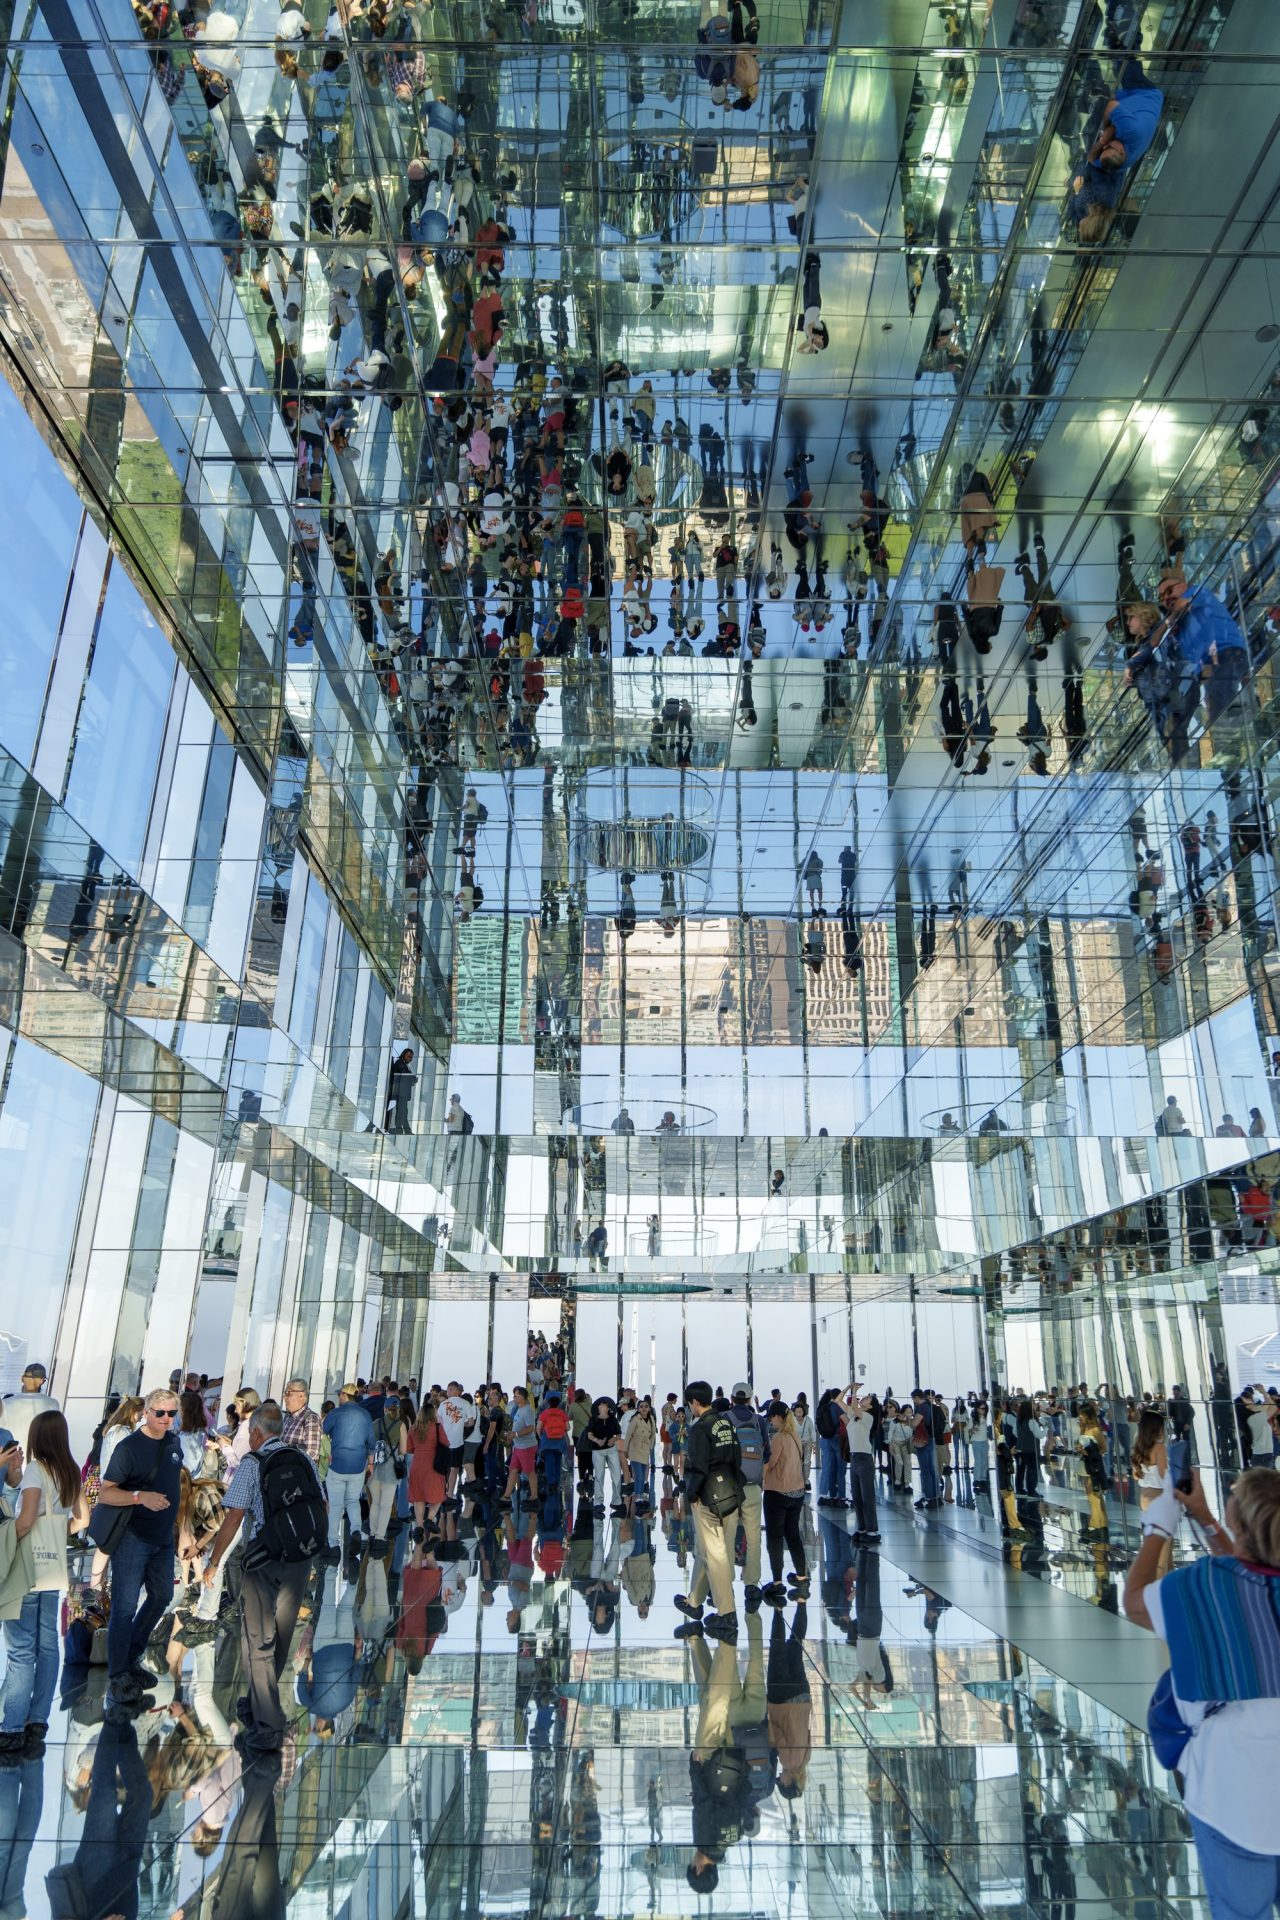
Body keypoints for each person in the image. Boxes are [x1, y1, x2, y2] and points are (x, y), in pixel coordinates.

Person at [1124, 1467, 1280, 1918]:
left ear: (1238, 1517)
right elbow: (1259, 1577)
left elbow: (1135, 1600)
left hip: (1233, 1795)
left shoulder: (1200, 1586)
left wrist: (1159, 1528)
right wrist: (1207, 1520)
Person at [203, 1400, 322, 1756]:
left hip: (263, 1560)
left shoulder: (253, 1464)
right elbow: (322, 1505)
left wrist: (214, 1560)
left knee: (257, 1639)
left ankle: (268, 1725)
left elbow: (235, 1516)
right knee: (282, 1634)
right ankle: (259, 1705)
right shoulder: (301, 1460)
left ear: (255, 1432)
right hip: (299, 1558)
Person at [0, 1411, 87, 1756]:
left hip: (27, 1568)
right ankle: (38, 1721)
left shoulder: (38, 1470)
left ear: (37, 1437)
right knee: (48, 1645)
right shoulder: (69, 1471)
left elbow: (24, 1521)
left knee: (21, 1649)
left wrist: (8, 1539)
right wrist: (55, 1533)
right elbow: (82, 1520)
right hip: (53, 1570)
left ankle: (11, 1726)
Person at [97, 1386, 184, 1708]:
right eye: (159, 1412)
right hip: (133, 1536)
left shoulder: (174, 1444)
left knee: (162, 1596)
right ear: (146, 1412)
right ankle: (119, 1673)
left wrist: (181, 1530)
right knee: (124, 1606)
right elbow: (106, 1493)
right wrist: (139, 1497)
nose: (165, 1419)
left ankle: (130, 1658)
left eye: (171, 1414)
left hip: (162, 1538)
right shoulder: (129, 1447)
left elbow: (176, 1487)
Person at [674, 1381, 744, 1643]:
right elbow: (736, 1457)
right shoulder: (725, 1423)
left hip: (708, 1498)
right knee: (708, 1551)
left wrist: (691, 1495)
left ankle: (727, 1613)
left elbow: (698, 1467)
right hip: (729, 1493)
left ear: (693, 1403)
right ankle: (694, 1601)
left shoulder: (699, 1428)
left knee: (715, 1556)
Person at [322, 1384, 375, 1558]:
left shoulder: (336, 1413)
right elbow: (371, 1443)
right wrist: (370, 1465)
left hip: (337, 1465)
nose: (339, 1397)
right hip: (358, 1466)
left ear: (345, 1396)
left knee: (336, 1505)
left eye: (340, 1394)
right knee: (352, 1501)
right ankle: (356, 1531)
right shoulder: (365, 1415)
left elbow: (324, 1429)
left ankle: (333, 1544)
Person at [760, 1403, 806, 1602]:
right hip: (797, 1493)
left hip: (777, 1493)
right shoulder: (795, 1435)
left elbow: (770, 1464)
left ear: (778, 1417)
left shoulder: (778, 1439)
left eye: (771, 1417)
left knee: (775, 1538)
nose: (770, 1421)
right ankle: (802, 1576)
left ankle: (777, 1582)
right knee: (793, 1535)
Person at [405, 1398, 446, 1538]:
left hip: (416, 1466)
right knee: (439, 1496)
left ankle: (419, 1527)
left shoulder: (414, 1428)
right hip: (433, 1465)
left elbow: (408, 1448)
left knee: (419, 1498)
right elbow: (446, 1443)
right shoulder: (437, 1427)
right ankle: (430, 1518)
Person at [846, 1391, 880, 1544]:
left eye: (868, 1399)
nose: (864, 1399)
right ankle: (862, 1528)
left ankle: (872, 1530)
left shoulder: (868, 1417)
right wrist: (849, 1387)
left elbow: (854, 1405)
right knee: (857, 1497)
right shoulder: (854, 1417)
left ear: (870, 1405)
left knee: (867, 1497)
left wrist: (854, 1391)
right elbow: (838, 1401)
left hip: (864, 1459)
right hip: (854, 1458)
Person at [587, 1397, 623, 1514]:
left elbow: (618, 1434)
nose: (601, 1407)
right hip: (598, 1450)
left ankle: (616, 1501)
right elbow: (589, 1434)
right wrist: (597, 1440)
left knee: (616, 1474)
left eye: (603, 1405)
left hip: (611, 1449)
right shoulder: (593, 1420)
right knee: (599, 1475)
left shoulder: (613, 1419)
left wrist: (613, 1439)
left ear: (608, 1408)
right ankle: (598, 1502)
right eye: (600, 1405)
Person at [8, 1366, 58, 1449]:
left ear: (22, 1378)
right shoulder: (53, 1404)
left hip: (13, 1456)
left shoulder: (6, 1403)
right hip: (41, 1455)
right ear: (42, 1381)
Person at [625, 1397, 656, 1511]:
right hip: (635, 1448)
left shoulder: (651, 1419)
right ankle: (638, 1496)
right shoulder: (635, 1420)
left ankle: (641, 1494)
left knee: (643, 1474)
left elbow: (653, 1434)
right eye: (641, 1406)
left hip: (645, 1449)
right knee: (638, 1474)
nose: (644, 1409)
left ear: (649, 1408)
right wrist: (626, 1449)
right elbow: (628, 1434)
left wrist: (651, 1446)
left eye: (646, 1406)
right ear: (638, 1409)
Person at [281, 1377, 322, 1464]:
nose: (285, 1397)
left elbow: (312, 1453)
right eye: (285, 1393)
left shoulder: (311, 1418)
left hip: (295, 1472)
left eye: (288, 1393)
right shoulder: (288, 1417)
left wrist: (285, 1454)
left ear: (301, 1396)